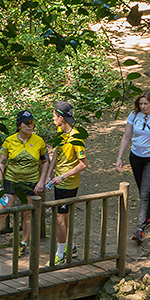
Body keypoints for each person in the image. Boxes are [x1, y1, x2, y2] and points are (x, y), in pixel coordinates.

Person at [0, 110, 49, 259]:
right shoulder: (9, 141)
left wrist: (41, 181)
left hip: (30, 183)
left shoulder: (39, 141)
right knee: (1, 212)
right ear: (19, 125)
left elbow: (45, 161)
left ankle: (23, 244)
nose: (30, 126)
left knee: (27, 214)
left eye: (31, 123)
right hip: (10, 183)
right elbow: (1, 162)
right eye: (26, 124)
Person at [114, 90, 150, 243]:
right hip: (135, 158)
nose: (143, 106)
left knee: (144, 193)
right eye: (141, 104)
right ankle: (149, 218)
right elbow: (126, 136)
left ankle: (139, 229)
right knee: (142, 191)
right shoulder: (134, 115)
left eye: (146, 103)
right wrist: (119, 158)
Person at [45, 101, 88, 264]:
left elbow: (84, 164)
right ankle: (71, 246)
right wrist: (49, 174)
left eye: (54, 116)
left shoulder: (76, 138)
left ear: (61, 118)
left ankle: (60, 255)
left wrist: (63, 176)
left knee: (60, 219)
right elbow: (56, 153)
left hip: (68, 184)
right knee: (60, 217)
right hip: (58, 182)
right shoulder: (59, 131)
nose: (52, 118)